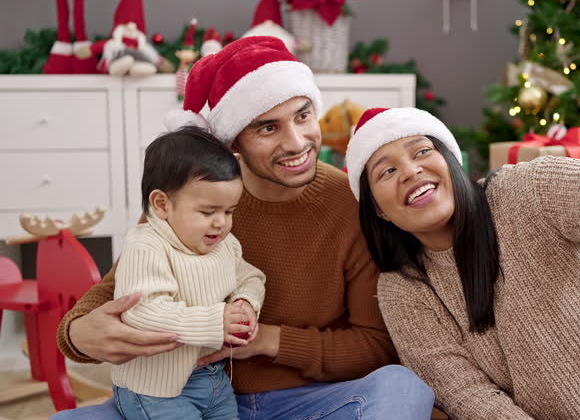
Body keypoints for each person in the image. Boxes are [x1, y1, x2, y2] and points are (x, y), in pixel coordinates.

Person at [51, 36, 435, 420]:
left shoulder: (349, 203)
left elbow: (375, 346)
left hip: (303, 404)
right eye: (268, 128)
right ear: (234, 139)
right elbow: (114, 290)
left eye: (303, 115)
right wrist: (78, 334)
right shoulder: (190, 195)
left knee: (401, 389)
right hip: (185, 399)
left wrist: (267, 341)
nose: (297, 141)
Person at [344, 33, 580, 419]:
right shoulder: (403, 288)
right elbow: (466, 394)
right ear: (379, 211)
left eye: (421, 151)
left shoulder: (527, 189)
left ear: (452, 162)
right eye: (386, 171)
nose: (411, 170)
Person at [111, 126, 265, 420]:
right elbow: (142, 312)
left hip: (212, 378)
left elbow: (251, 277)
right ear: (162, 205)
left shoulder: (224, 245)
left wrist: (246, 303)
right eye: (208, 212)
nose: (221, 223)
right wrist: (215, 320)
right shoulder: (145, 245)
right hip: (155, 390)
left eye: (229, 211)